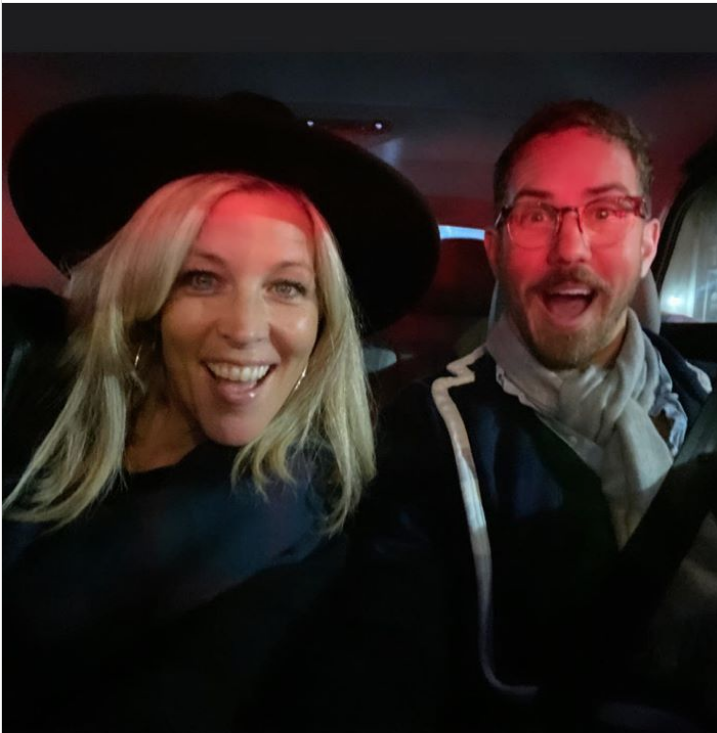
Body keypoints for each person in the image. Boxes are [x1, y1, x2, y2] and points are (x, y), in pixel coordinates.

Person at [2, 92, 439, 733]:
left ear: (322, 323)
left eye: (287, 287)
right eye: (201, 279)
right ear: (147, 297)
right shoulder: (27, 390)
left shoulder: (312, 545)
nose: (245, 328)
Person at [313, 100, 716, 733]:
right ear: (496, 249)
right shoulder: (426, 435)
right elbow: (386, 655)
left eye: (605, 211)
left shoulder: (705, 402)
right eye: (535, 214)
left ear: (648, 244)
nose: (570, 248)